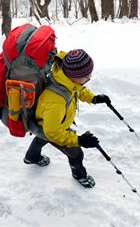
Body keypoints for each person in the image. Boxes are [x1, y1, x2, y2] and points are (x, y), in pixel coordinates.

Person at [22, 49, 111, 188]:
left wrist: (93, 98)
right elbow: (53, 133)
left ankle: (31, 157)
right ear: (75, 76)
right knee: (75, 153)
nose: (89, 78)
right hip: (50, 126)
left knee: (42, 138)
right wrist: (79, 140)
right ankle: (80, 175)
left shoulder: (65, 79)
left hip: (49, 123)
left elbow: (77, 89)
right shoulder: (55, 101)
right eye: (87, 76)